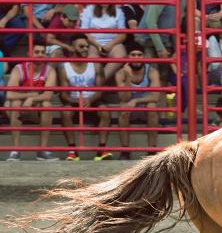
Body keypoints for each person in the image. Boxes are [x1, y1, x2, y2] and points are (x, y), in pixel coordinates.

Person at [58, 33, 112, 161]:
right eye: (81, 46)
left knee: (105, 111)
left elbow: (100, 90)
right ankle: (72, 151)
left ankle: (101, 150)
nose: (85, 49)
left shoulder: (96, 65)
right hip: (74, 101)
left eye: (87, 46)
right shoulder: (64, 68)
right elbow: (63, 95)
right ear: (72, 48)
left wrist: (90, 100)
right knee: (65, 112)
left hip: (93, 101)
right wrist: (77, 101)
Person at [4, 39, 58, 161]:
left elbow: (48, 95)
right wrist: (28, 97)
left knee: (47, 104)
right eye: (37, 52)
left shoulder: (50, 70)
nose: (40, 55)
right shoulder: (19, 69)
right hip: (17, 109)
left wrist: (31, 99)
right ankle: (16, 150)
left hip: (35, 109)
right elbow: (10, 95)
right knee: (16, 102)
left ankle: (42, 150)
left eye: (43, 52)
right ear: (30, 54)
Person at [115, 42, 161, 159]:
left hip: (144, 107)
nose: (136, 58)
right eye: (133, 55)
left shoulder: (152, 71)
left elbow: (155, 96)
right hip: (130, 108)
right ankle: (125, 150)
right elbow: (123, 98)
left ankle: (152, 150)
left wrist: (136, 101)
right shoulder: (121, 73)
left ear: (144, 57)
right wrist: (128, 77)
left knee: (152, 107)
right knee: (123, 107)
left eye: (139, 55)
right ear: (128, 57)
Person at [80, 0, 127, 81]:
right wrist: (97, 45)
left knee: (121, 55)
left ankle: (100, 81)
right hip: (93, 43)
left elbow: (122, 34)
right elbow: (84, 32)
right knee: (92, 58)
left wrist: (110, 44)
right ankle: (97, 82)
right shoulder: (89, 9)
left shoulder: (118, 11)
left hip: (112, 43)